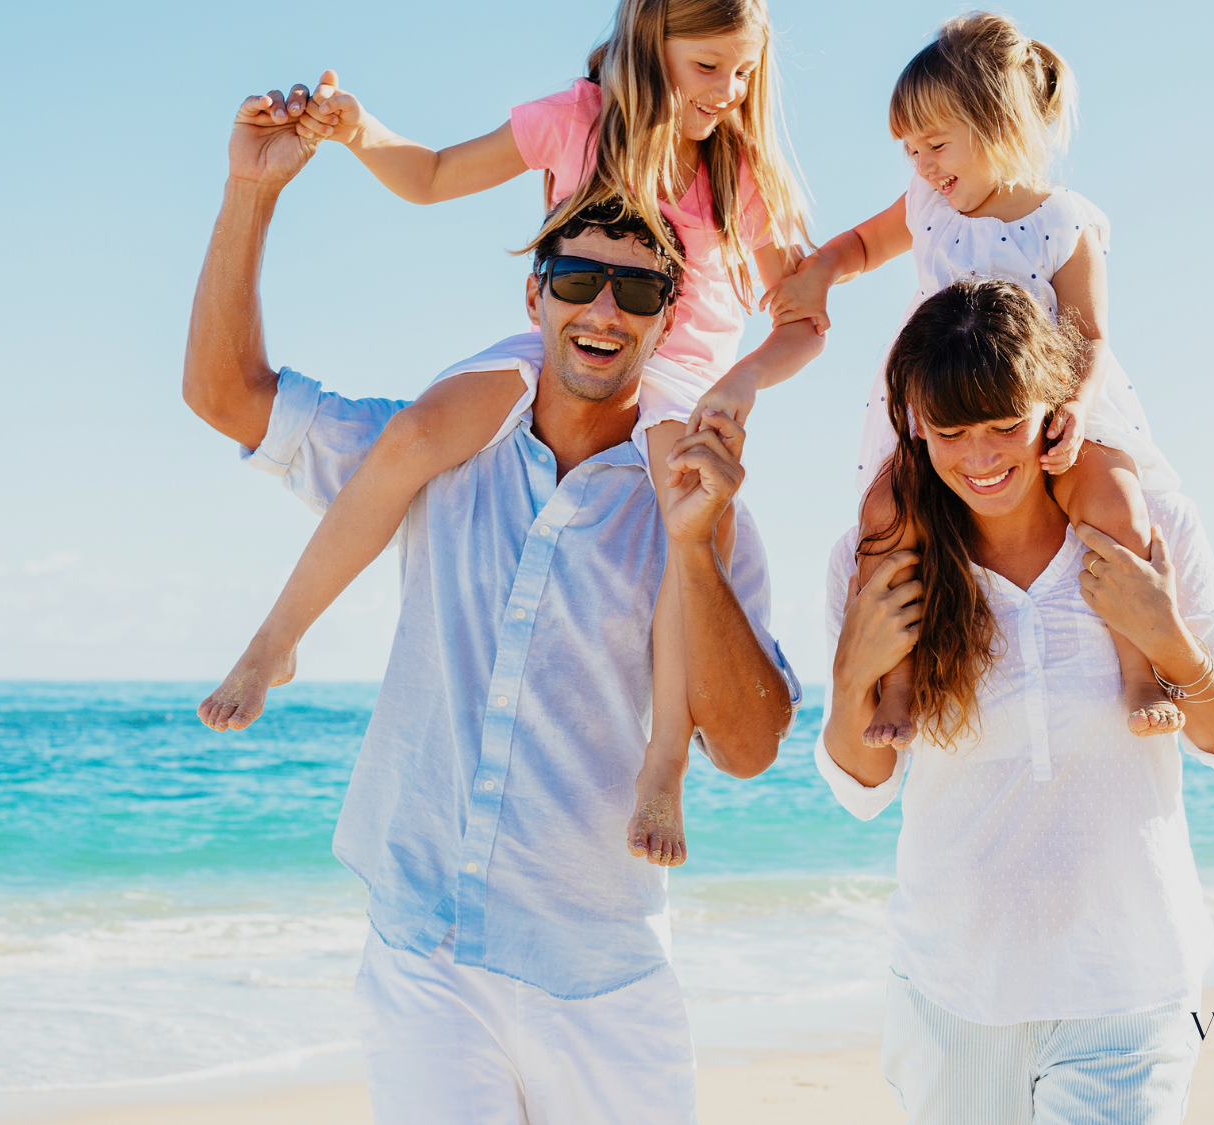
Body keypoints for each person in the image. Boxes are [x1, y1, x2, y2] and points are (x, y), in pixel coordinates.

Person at [184, 84, 799, 1125]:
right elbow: (224, 394)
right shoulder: (436, 445)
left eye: (636, 291)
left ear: (667, 320)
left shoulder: (695, 496)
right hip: (421, 955)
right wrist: (252, 195)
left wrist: (692, 548)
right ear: (534, 297)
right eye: (577, 280)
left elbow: (746, 748)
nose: (602, 311)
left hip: (600, 982)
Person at [200, 0, 821, 869]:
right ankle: (275, 640)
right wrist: (360, 132)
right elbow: (433, 175)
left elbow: (804, 322)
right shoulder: (576, 120)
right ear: (651, 47)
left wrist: (740, 383)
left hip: (679, 378)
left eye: (744, 72)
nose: (728, 91)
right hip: (563, 345)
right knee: (415, 432)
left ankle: (665, 765)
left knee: (691, 530)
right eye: (708, 66)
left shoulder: (735, 172)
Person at [815, 278, 1214, 1123]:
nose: (981, 457)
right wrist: (852, 677)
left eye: (1005, 425)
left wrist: (1168, 642)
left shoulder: (1150, 526)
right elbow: (861, 789)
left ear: (1053, 408)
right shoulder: (878, 551)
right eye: (952, 431)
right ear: (916, 424)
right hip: (952, 1000)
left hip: (1128, 994)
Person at [766, 11, 1181, 751]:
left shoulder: (1061, 222)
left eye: (935, 145)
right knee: (888, 517)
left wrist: (1077, 409)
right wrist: (821, 271)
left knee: (1115, 501)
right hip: (942, 409)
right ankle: (897, 684)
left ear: (998, 122)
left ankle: (1141, 669)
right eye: (910, 151)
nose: (922, 166)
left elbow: (1089, 334)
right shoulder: (927, 206)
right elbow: (862, 244)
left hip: (1041, 409)